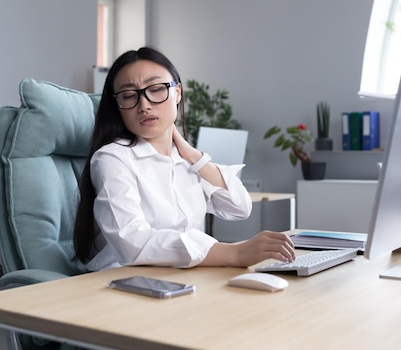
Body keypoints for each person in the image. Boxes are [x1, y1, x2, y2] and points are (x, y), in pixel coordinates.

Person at [73, 46, 295, 271]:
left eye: (156, 89)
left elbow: (239, 207)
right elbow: (132, 242)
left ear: (177, 93)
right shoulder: (112, 158)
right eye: (129, 95)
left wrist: (193, 155)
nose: (144, 105)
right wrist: (233, 253)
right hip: (120, 281)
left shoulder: (185, 160)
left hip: (179, 276)